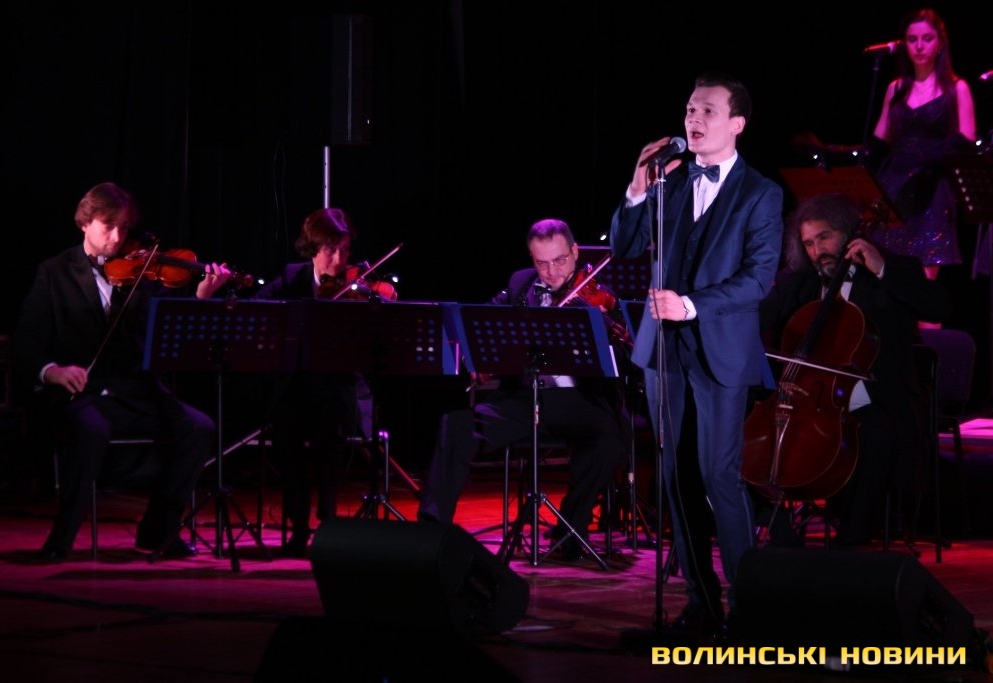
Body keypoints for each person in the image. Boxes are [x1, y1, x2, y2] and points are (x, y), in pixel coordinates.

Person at [609, 71, 784, 638]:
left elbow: (758, 279)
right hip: (664, 352)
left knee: (717, 475)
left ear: (738, 123)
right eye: (689, 108)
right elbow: (624, 246)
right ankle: (700, 603)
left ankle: (750, 605)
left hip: (720, 352)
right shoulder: (672, 183)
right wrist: (638, 185)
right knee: (675, 478)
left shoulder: (760, 193)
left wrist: (690, 305)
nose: (694, 118)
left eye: (708, 110)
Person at [13, 181, 235, 562]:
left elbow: (168, 324)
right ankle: (62, 538)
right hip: (81, 393)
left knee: (199, 428)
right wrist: (53, 371)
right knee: (90, 429)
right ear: (85, 223)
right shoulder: (54, 273)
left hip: (134, 392)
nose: (117, 238)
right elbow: (25, 343)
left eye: (124, 228)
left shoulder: (143, 271)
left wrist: (201, 296)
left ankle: (157, 531)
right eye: (107, 226)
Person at [417, 218, 630, 561]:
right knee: (455, 423)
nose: (552, 273)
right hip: (523, 399)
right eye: (542, 263)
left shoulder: (597, 293)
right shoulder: (521, 284)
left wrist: (611, 326)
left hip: (579, 400)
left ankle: (569, 530)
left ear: (575, 252)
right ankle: (432, 530)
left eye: (560, 260)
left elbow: (627, 351)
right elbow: (482, 321)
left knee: (608, 439)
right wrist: (478, 353)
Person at [757, 192, 952, 548]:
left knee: (874, 434)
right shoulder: (800, 281)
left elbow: (938, 307)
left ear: (848, 232)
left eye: (825, 237)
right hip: (812, 398)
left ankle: (852, 540)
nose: (818, 251)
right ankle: (777, 528)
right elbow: (760, 318)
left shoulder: (892, 269)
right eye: (809, 243)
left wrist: (882, 269)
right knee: (745, 429)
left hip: (877, 395)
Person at [253, 207, 372, 558]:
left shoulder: (355, 287)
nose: (338, 260)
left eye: (345, 250)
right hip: (296, 388)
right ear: (312, 248)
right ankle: (299, 525)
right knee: (286, 436)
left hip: (338, 387)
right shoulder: (293, 277)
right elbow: (257, 307)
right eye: (330, 250)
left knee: (330, 432)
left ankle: (328, 517)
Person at [866, 7, 977, 281]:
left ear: (940, 43)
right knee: (883, 271)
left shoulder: (957, 88)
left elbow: (967, 141)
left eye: (927, 38)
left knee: (924, 276)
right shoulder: (896, 88)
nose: (919, 46)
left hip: (932, 187)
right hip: (894, 184)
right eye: (912, 39)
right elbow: (878, 141)